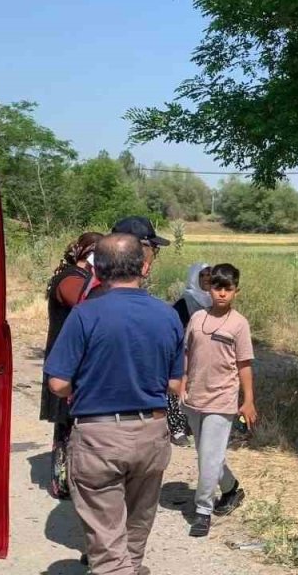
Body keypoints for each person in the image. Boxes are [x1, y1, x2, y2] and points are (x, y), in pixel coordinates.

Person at [44, 234, 184, 575]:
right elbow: (175, 385)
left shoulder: (84, 315)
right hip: (151, 433)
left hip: (99, 435)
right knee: (137, 525)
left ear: (98, 269)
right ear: (145, 267)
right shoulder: (168, 315)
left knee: (107, 544)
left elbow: (58, 384)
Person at [180, 263, 255, 537]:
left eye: (228, 289)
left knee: (209, 456)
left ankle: (203, 510)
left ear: (236, 291)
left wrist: (248, 400)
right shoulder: (197, 318)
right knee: (207, 455)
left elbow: (244, 364)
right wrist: (182, 383)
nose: (222, 293)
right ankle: (231, 488)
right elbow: (187, 353)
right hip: (194, 397)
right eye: (217, 288)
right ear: (208, 289)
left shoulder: (239, 324)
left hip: (222, 398)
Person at [40, 231, 102, 499]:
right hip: (68, 359)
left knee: (74, 422)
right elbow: (87, 304)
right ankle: (64, 481)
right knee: (67, 423)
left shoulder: (81, 277)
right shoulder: (71, 279)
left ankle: (71, 478)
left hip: (77, 357)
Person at [167, 263, 212, 446]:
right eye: (203, 275)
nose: (207, 279)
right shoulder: (185, 302)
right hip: (183, 352)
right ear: (195, 278)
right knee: (177, 389)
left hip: (205, 353)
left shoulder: (214, 300)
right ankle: (176, 429)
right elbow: (174, 329)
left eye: (210, 275)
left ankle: (192, 425)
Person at [83, 216, 170, 301]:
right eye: (154, 249)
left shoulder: (102, 270)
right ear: (138, 249)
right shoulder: (107, 283)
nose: (154, 257)